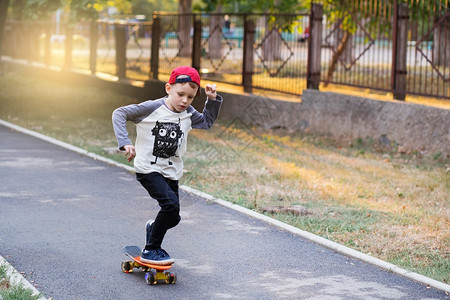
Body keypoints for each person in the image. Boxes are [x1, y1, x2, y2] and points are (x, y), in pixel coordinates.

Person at [112, 66, 223, 265]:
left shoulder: (189, 113)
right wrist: (125, 142)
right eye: (180, 94)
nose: (184, 101)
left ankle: (153, 228)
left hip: (172, 172)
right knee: (169, 206)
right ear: (168, 88)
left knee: (174, 217)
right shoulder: (152, 108)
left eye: (190, 97)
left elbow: (206, 122)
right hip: (148, 169)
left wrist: (212, 101)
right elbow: (119, 113)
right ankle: (151, 249)